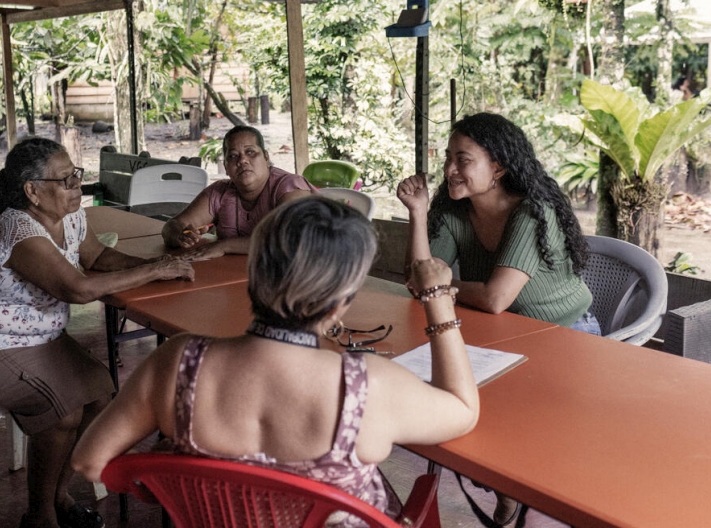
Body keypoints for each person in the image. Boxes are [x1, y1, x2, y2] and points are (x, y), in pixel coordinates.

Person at [72, 197, 479, 524]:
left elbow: (91, 462)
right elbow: (463, 409)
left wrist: (172, 477)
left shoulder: (178, 362)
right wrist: (437, 300)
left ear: (253, 275)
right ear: (339, 306)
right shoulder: (364, 387)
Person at [0, 137, 194, 528]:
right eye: (65, 179)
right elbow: (75, 289)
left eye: (76, 174)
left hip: (42, 339)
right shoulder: (18, 229)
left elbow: (97, 257)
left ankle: (58, 497)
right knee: (64, 411)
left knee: (102, 398)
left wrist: (156, 262)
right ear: (33, 191)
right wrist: (153, 272)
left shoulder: (72, 215)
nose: (77, 185)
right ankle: (40, 517)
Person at [397, 112, 595, 524]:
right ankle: (505, 488)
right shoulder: (454, 212)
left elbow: (494, 298)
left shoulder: (533, 214)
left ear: (499, 168)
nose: (449, 170)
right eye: (448, 157)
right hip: (501, 335)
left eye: (463, 160)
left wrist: (445, 288)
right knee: (463, 402)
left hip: (568, 337)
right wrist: (417, 213)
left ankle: (523, 490)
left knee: (506, 417)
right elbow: (420, 283)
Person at [161, 124, 316, 258]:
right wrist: (179, 235)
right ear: (226, 166)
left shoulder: (290, 187)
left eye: (250, 152)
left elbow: (291, 239)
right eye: (233, 156)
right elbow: (172, 226)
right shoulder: (219, 193)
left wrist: (224, 246)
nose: (242, 160)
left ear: (266, 158)